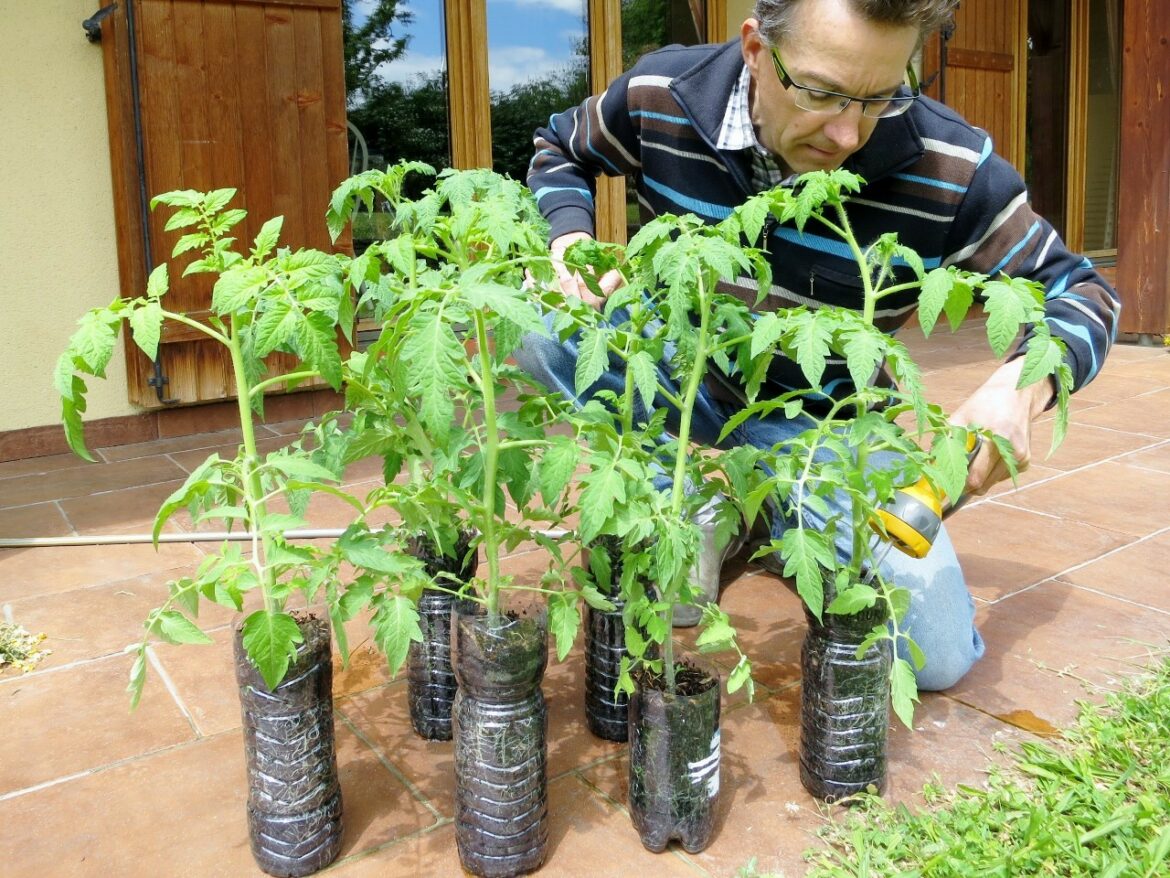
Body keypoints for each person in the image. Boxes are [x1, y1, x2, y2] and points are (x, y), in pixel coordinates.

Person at [515, 0, 1120, 689]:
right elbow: (558, 146)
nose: (845, 132)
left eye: (879, 97)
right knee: (534, 323)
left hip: (824, 423)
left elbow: (1083, 292)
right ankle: (680, 496)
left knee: (935, 655)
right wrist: (568, 240)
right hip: (675, 383)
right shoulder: (664, 96)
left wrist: (1024, 386)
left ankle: (764, 502)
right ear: (754, 49)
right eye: (821, 91)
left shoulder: (951, 165)